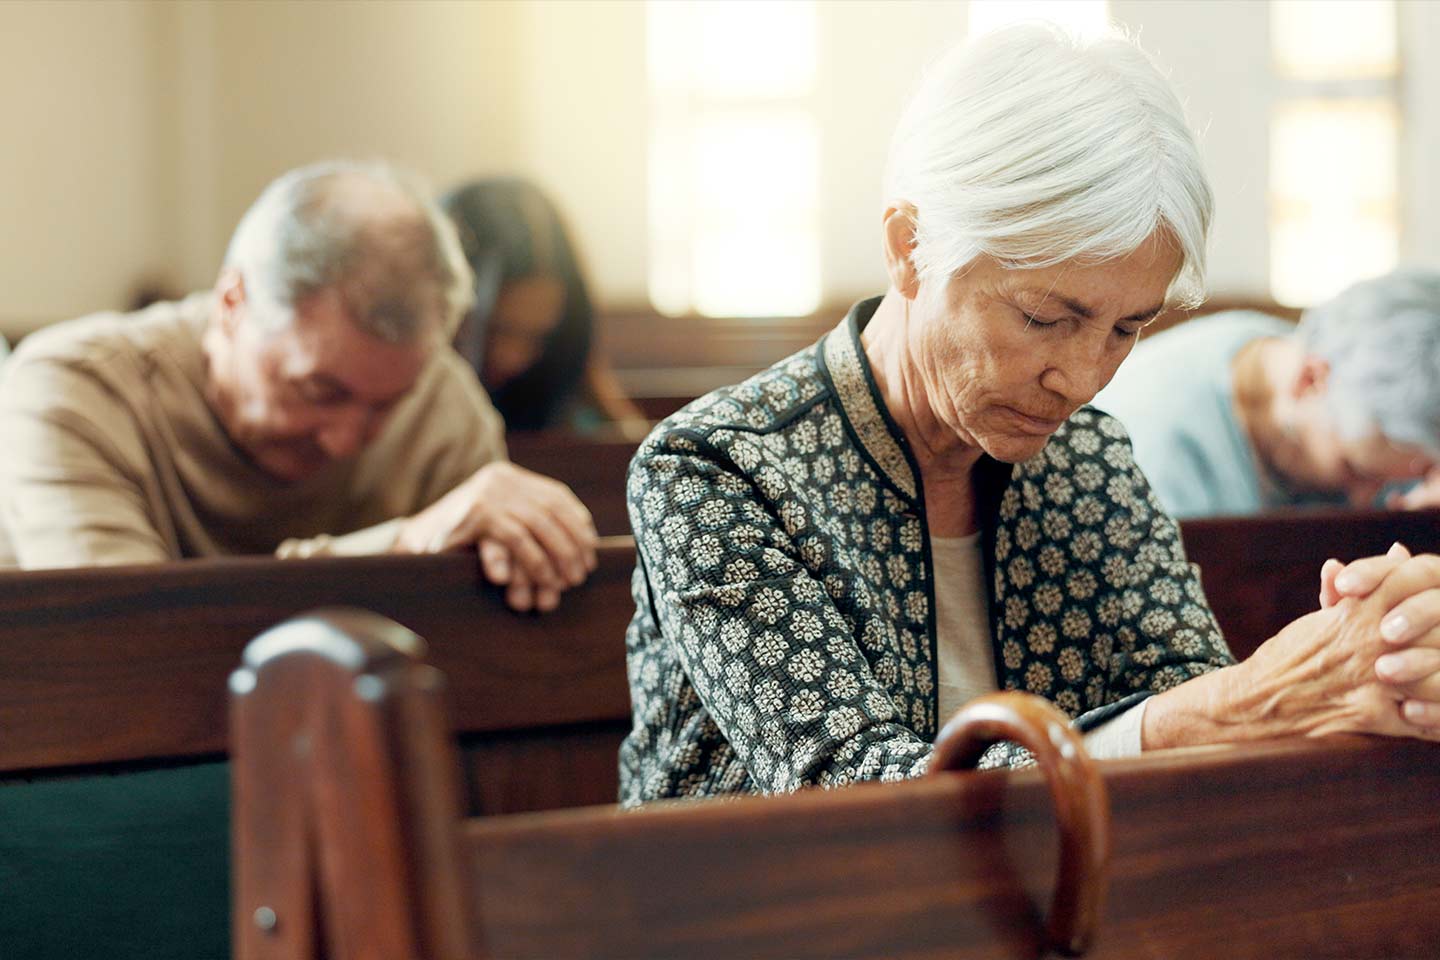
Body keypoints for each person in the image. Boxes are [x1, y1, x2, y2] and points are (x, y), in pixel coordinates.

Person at [619, 25, 1440, 806]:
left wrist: (1381, 667)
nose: (1081, 378)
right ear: (911, 248)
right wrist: (1243, 706)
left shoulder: (1087, 457)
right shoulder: (717, 471)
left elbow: (1192, 697)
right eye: (1045, 319)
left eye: (1128, 328)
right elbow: (852, 792)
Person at [0, 161, 596, 613]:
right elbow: (128, 645)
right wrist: (406, 545)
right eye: (319, 390)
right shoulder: (72, 392)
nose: (346, 442)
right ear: (233, 303)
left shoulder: (441, 401)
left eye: (388, 405)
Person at [1093, 271, 1440, 518]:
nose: (1373, 500)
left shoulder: (1349, 378)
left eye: (1416, 477)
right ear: (1311, 381)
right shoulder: (1147, 448)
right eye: (1356, 471)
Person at [441, 177, 648, 437]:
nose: (513, 359)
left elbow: (625, 435)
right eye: (497, 330)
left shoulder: (564, 374)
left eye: (538, 337)